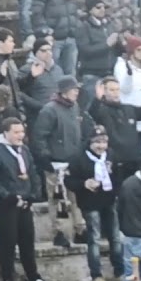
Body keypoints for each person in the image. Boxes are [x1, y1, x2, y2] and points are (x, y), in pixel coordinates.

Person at [0, 117, 53, 281]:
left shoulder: (24, 150)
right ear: (6, 133)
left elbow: (32, 172)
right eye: (16, 132)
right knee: (7, 243)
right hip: (4, 205)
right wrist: (9, 196)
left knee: (27, 240)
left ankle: (33, 276)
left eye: (22, 132)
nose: (20, 135)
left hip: (24, 203)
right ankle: (8, 279)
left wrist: (33, 194)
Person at [32, 75, 91, 248]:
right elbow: (39, 136)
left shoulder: (75, 107)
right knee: (59, 200)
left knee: (76, 198)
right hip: (56, 163)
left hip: (73, 163)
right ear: (64, 91)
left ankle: (80, 229)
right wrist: (46, 158)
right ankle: (60, 232)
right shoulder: (49, 110)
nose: (77, 92)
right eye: (74, 89)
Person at [66, 126, 123, 281]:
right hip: (90, 203)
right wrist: (84, 183)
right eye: (97, 142)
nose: (101, 146)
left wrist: (116, 193)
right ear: (90, 143)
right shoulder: (78, 158)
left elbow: (118, 177)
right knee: (94, 239)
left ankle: (119, 271)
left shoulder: (111, 155)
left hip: (109, 200)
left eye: (104, 142)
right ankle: (96, 275)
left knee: (115, 237)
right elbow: (69, 181)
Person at [31, 0, 81, 76]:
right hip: (54, 39)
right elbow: (37, 13)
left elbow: (73, 9)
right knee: (54, 72)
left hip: (70, 36)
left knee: (70, 73)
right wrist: (45, 32)